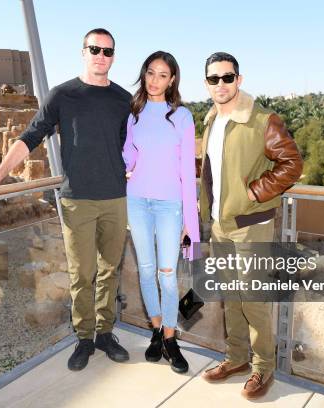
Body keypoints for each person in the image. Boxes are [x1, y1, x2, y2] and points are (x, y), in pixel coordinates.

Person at [0, 28, 132, 372]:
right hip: (77, 200)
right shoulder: (62, 95)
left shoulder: (122, 99)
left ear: (113, 57)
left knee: (109, 270)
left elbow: (127, 146)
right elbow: (30, 137)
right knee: (82, 273)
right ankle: (84, 338)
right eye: (95, 49)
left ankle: (105, 333)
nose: (101, 55)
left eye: (107, 51)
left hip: (116, 197)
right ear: (83, 52)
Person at [198, 52, 303, 398]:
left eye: (227, 77)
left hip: (250, 225)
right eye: (214, 79)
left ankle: (263, 367)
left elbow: (291, 162)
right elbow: (212, 173)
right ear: (207, 84)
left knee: (254, 299)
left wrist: (254, 192)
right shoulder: (212, 119)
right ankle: (237, 358)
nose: (221, 84)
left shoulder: (262, 119)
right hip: (220, 224)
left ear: (238, 80)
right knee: (232, 297)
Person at [123, 51, 199, 374]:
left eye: (162, 75)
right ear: (144, 75)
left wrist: (189, 222)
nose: (155, 80)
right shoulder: (134, 114)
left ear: (172, 80)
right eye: (150, 73)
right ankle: (156, 330)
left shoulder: (182, 117)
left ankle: (171, 339)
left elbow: (187, 171)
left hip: (170, 205)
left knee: (167, 275)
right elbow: (128, 155)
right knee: (145, 270)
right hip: (137, 200)